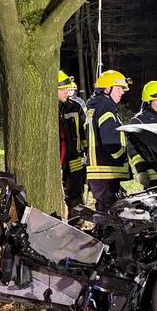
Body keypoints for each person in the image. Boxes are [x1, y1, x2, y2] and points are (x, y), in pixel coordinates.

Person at [85, 69, 131, 211]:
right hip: (107, 169)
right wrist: (121, 157)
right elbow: (110, 140)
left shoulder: (93, 105)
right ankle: (103, 233)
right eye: (119, 88)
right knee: (109, 213)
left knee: (104, 209)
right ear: (107, 89)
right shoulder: (106, 106)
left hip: (97, 169)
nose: (122, 92)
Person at [58, 71, 88, 213]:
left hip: (74, 158)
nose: (66, 92)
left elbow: (84, 132)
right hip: (57, 161)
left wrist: (86, 152)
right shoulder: (49, 109)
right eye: (62, 89)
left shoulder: (75, 107)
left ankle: (76, 222)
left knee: (75, 191)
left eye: (67, 89)